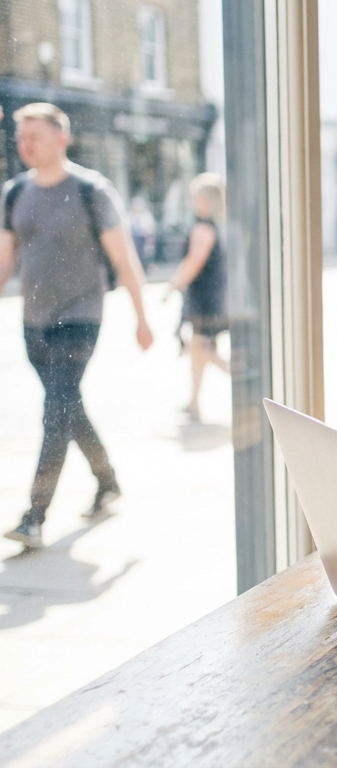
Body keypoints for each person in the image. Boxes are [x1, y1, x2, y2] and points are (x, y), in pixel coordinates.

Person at [0, 102, 154, 549]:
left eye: (35, 136)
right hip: (34, 321)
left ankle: (34, 515)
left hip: (81, 317)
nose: (25, 145)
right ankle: (107, 481)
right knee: (67, 406)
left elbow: (124, 257)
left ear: (60, 138)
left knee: (56, 410)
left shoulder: (91, 190)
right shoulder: (13, 194)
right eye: (20, 138)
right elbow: (5, 260)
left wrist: (142, 317)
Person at [166, 173, 229, 423]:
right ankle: (194, 402)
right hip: (209, 296)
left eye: (196, 196)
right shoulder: (217, 225)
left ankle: (249, 381)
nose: (193, 201)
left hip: (204, 299)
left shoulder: (203, 228)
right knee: (199, 350)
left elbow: (193, 262)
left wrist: (172, 286)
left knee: (201, 349)